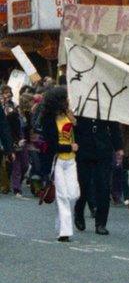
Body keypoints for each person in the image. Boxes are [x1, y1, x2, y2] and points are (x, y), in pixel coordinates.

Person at [39, 87, 80, 243]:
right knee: (62, 195)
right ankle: (64, 231)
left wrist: (75, 122)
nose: (68, 100)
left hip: (71, 161)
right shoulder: (49, 119)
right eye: (65, 98)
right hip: (57, 160)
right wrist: (70, 147)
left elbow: (79, 136)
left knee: (74, 194)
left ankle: (61, 223)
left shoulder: (68, 116)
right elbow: (52, 145)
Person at [73, 115, 123, 235]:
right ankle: (79, 212)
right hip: (83, 147)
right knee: (83, 184)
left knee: (104, 186)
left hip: (103, 148)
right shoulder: (81, 103)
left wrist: (118, 148)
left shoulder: (106, 105)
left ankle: (101, 223)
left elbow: (114, 126)